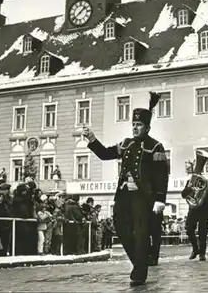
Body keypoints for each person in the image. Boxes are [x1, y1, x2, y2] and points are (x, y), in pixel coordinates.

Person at [83, 92, 168, 287]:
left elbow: (162, 175)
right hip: (122, 194)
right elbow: (105, 154)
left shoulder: (156, 147)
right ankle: (141, 259)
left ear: (147, 127)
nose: (135, 128)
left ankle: (139, 272)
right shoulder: (126, 144)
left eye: (139, 125)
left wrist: (160, 199)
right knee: (120, 227)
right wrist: (92, 139)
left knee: (141, 231)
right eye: (134, 125)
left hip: (141, 195)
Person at [181, 149, 208, 261]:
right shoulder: (190, 180)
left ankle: (202, 253)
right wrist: (190, 188)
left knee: (202, 231)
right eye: (197, 166)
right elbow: (183, 194)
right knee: (189, 228)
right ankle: (195, 248)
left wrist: (206, 199)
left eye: (200, 166)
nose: (197, 168)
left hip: (204, 209)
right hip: (193, 208)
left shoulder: (207, 180)